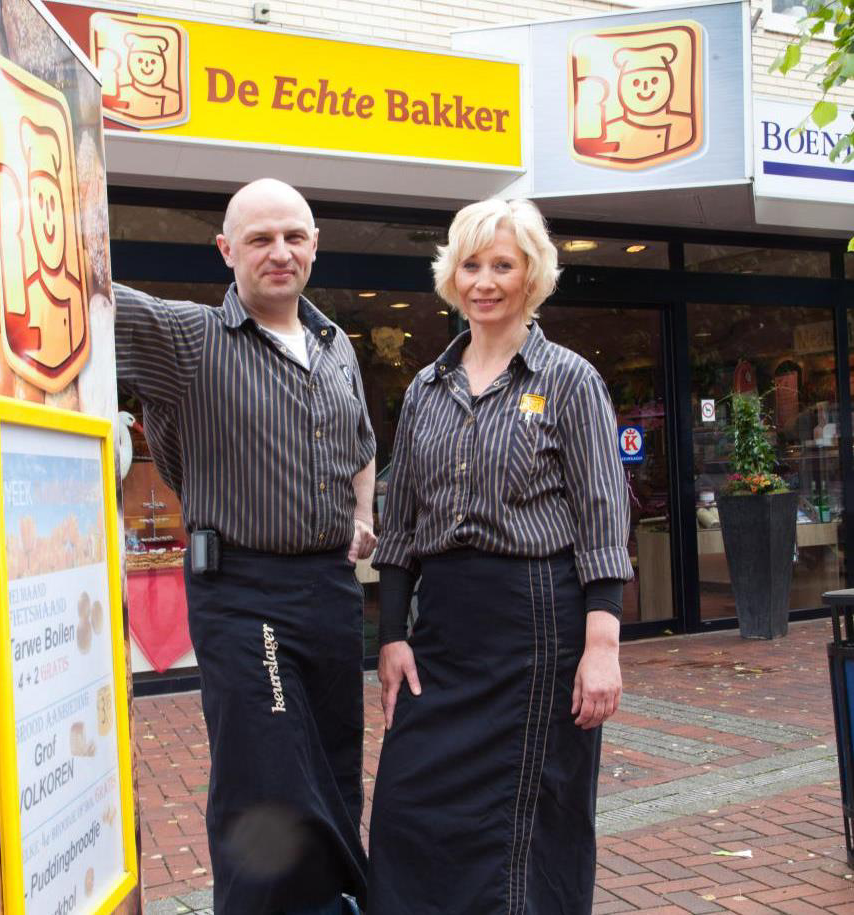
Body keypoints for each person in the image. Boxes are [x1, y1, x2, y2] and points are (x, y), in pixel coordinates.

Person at [113, 178, 375, 915]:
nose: (279, 251)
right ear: (227, 250)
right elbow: (88, 287)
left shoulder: (335, 346)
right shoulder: (188, 337)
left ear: (315, 245)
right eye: (260, 238)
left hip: (328, 587)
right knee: (267, 774)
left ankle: (335, 902)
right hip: (242, 589)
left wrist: (360, 513)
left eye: (293, 236)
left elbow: (360, 445)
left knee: (330, 764)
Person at [368, 197, 633, 914]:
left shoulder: (568, 379)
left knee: (528, 812)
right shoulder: (426, 388)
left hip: (537, 622)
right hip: (444, 629)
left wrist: (601, 642)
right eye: (471, 264)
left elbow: (603, 518)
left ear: (531, 276)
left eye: (502, 265)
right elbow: (400, 528)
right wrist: (391, 635)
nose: (484, 280)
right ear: (452, 276)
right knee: (406, 802)